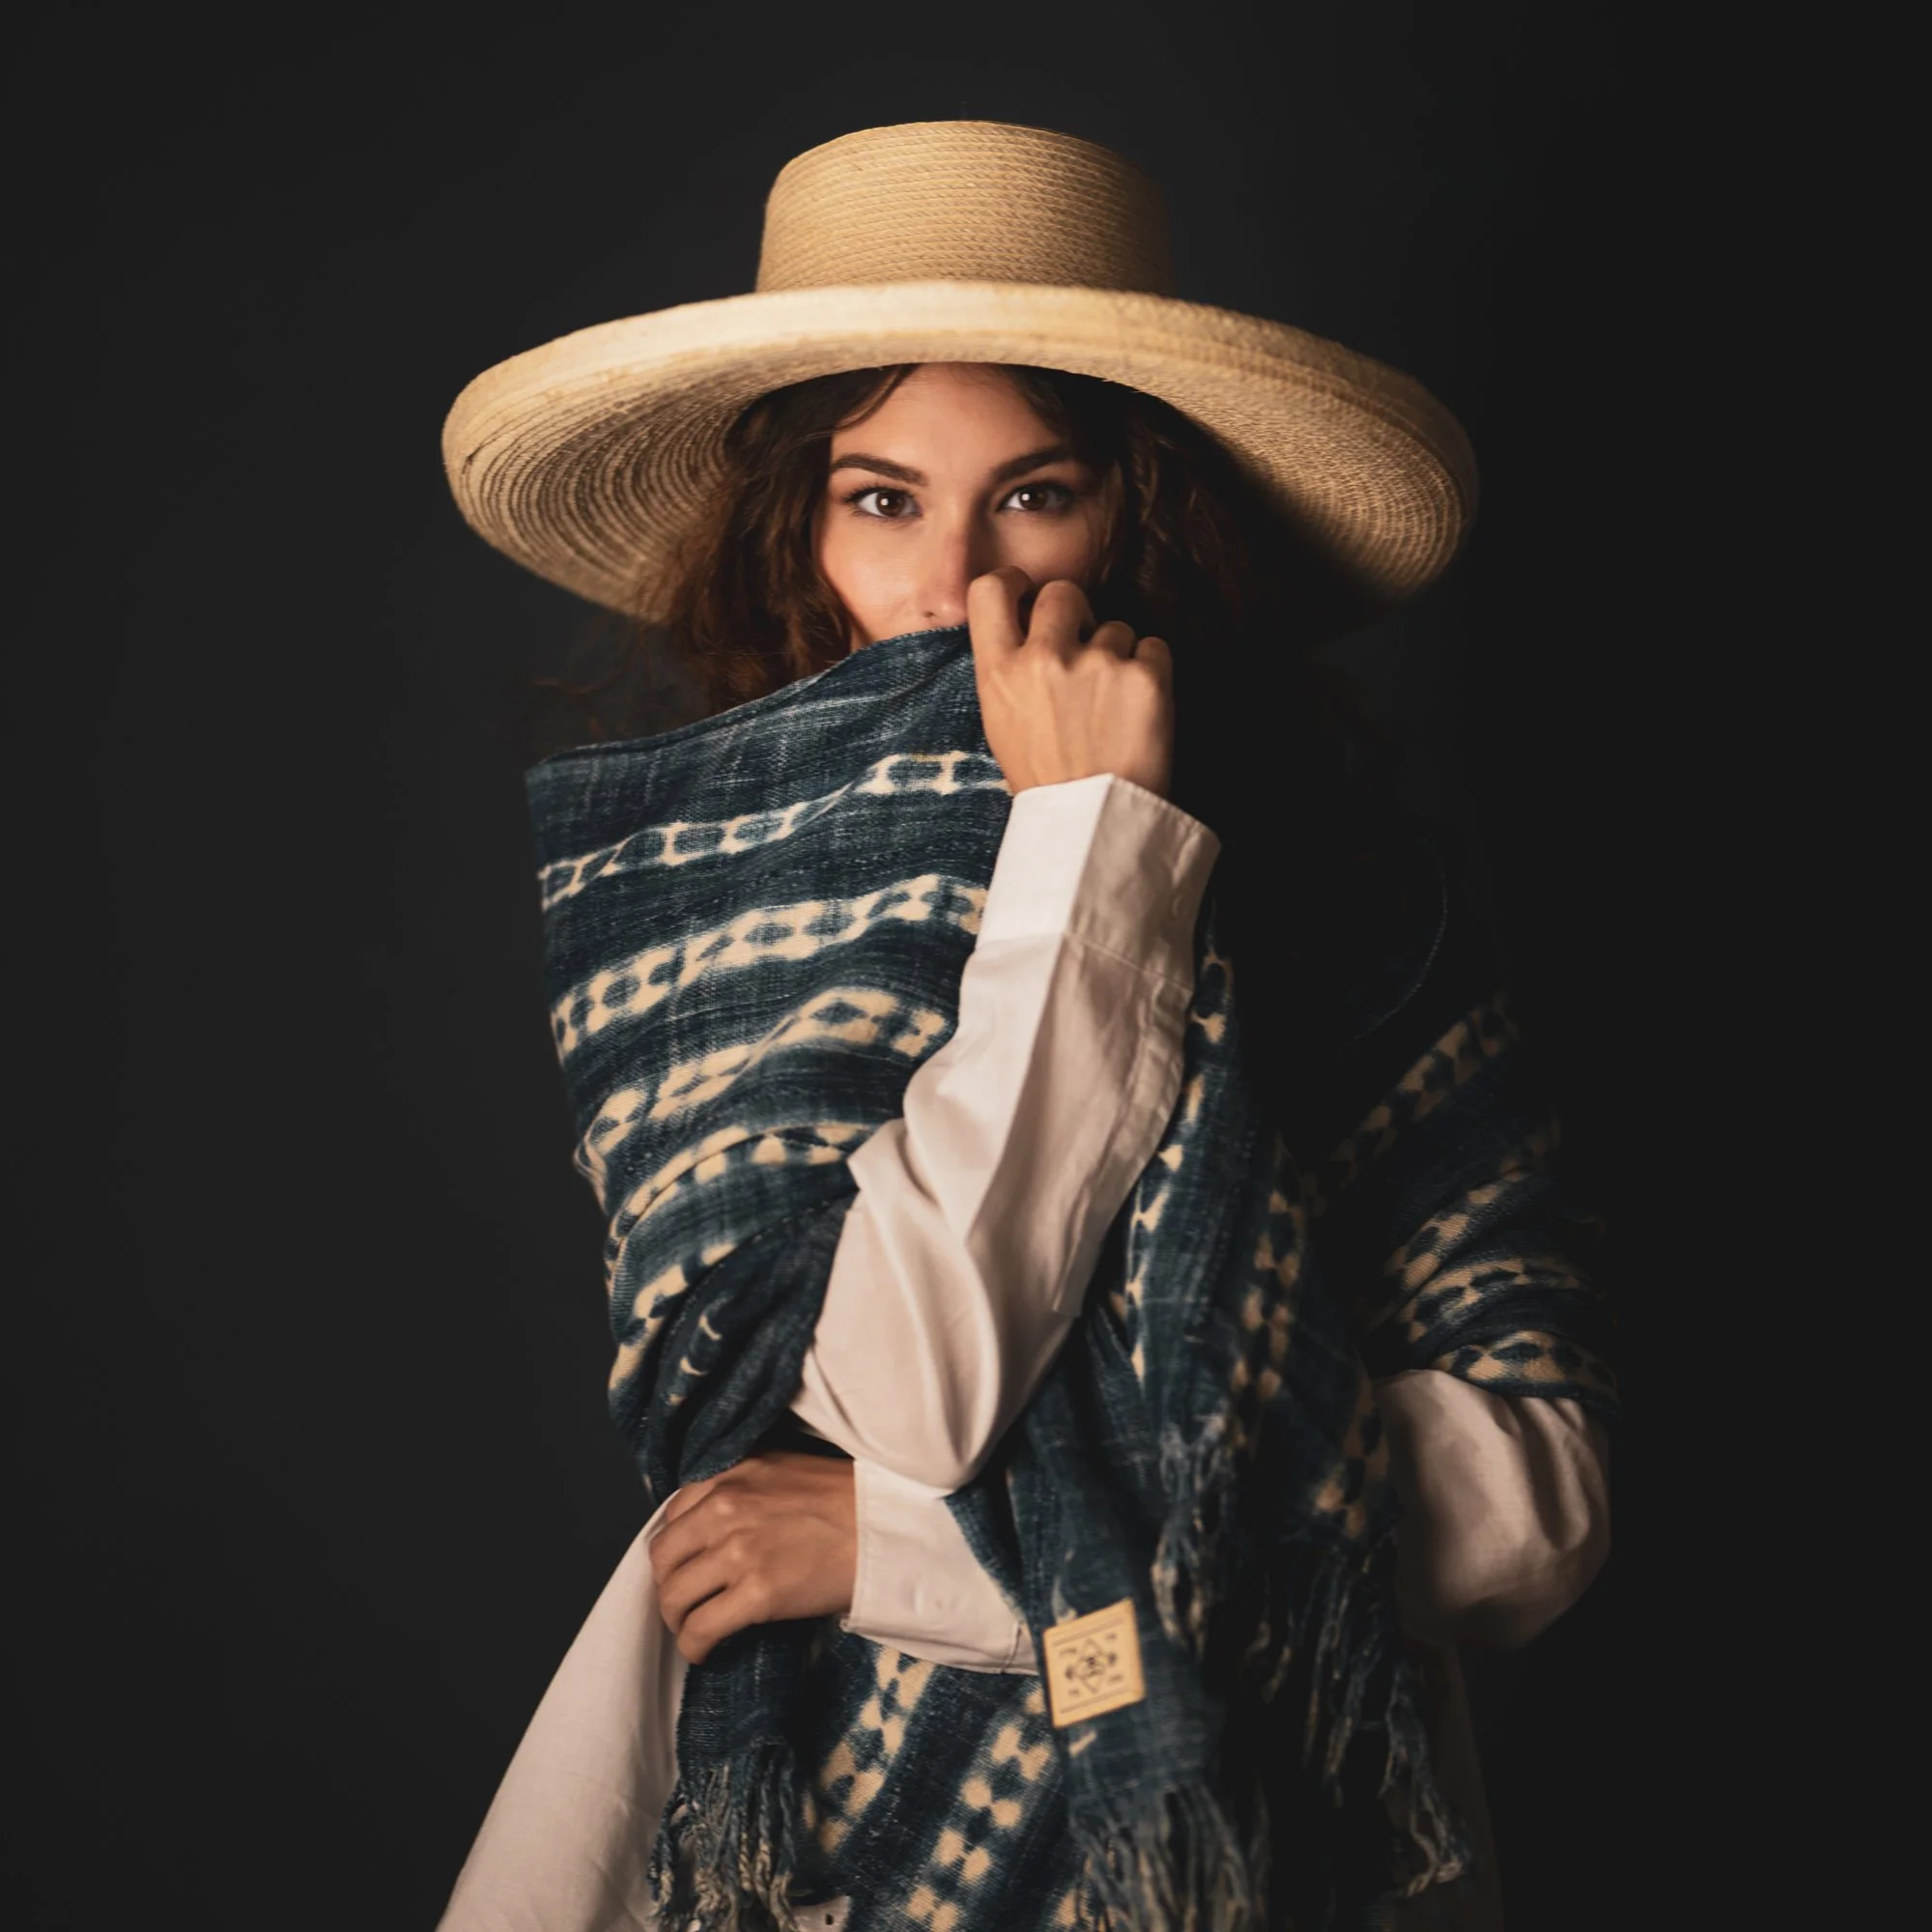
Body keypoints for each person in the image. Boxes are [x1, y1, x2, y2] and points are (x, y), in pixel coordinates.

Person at [438, 122, 1614, 1932]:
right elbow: (897, 1385)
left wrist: (914, 1551)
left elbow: (1536, 1507)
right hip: (822, 1854)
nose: (962, 585)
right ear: (794, 533)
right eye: (884, 499)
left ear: (1142, 511)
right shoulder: (703, 929)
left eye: (1037, 493)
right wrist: (1093, 870)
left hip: (1271, 1860)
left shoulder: (1359, 913)